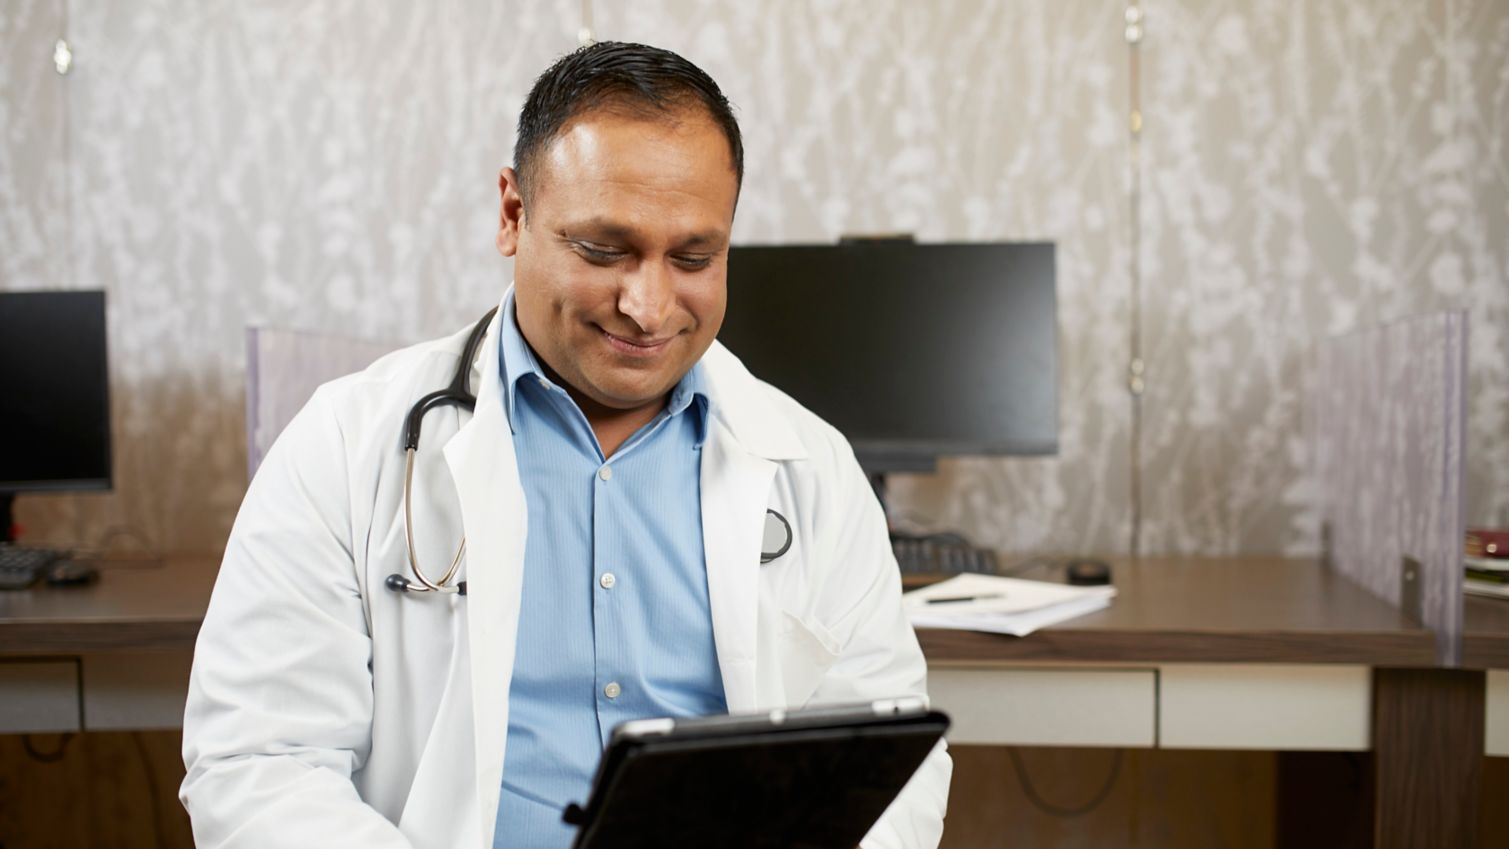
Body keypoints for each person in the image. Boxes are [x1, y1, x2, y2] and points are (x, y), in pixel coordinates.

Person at [180, 41, 951, 849]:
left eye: (693, 257)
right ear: (513, 214)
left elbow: (889, 759)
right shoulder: (344, 445)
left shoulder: (811, 466)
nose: (648, 306)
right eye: (603, 250)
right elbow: (259, 763)